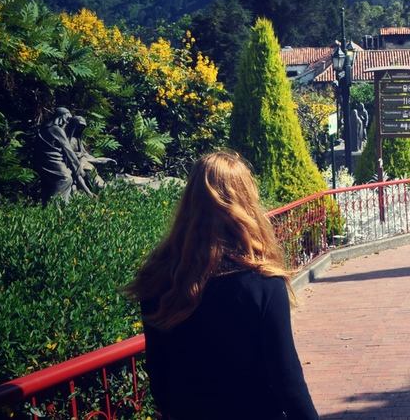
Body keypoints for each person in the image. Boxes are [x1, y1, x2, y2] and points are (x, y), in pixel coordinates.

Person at [126, 151, 318, 420]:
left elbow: (159, 377)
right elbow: (287, 380)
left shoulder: (158, 281)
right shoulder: (263, 284)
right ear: (246, 203)